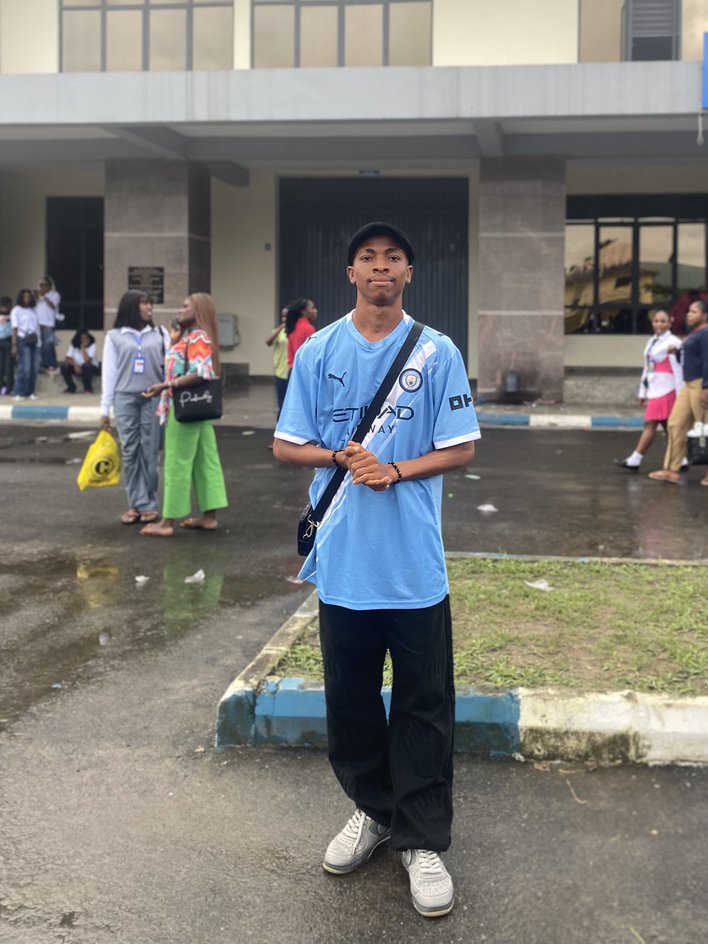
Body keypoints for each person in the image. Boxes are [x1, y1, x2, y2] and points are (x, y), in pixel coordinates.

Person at [273, 223, 479, 919]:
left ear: (409, 273)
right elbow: (287, 443)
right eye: (368, 257)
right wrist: (339, 457)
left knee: (424, 703)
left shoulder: (437, 352)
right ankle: (373, 810)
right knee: (351, 699)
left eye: (393, 258)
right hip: (344, 564)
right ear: (352, 272)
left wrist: (395, 469)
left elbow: (461, 447)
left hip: (414, 566)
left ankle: (422, 839)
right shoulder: (319, 350)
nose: (380, 267)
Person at [140, 293, 228, 538]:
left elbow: (201, 372)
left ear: (198, 310)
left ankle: (167, 521)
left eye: (185, 306)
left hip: (184, 410)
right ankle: (209, 517)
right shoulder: (193, 336)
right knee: (205, 462)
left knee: (176, 464)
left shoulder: (198, 336)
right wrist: (175, 339)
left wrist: (165, 385)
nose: (179, 310)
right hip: (199, 410)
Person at [100, 291, 169, 525]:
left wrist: (167, 398)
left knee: (150, 451)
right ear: (131, 307)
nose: (150, 307)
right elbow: (109, 375)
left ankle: (149, 504)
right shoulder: (114, 337)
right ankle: (135, 504)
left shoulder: (160, 334)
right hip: (125, 398)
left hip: (153, 398)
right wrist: (104, 410)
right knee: (130, 451)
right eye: (144, 303)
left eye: (150, 303)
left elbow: (169, 368)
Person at [649, 298, 708, 487]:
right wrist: (676, 352)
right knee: (675, 424)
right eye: (689, 311)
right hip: (690, 383)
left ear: (705, 315)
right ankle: (671, 469)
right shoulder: (695, 333)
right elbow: (692, 357)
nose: (689, 314)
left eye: (694, 311)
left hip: (704, 383)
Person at [614, 307, 683, 471]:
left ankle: (635, 459)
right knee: (667, 426)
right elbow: (647, 367)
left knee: (650, 423)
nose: (659, 324)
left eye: (663, 321)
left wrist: (681, 393)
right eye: (656, 321)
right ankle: (682, 458)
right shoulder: (651, 341)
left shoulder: (674, 342)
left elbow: (679, 369)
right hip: (654, 387)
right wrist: (643, 392)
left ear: (670, 323)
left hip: (667, 388)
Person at [10, 289, 41, 400]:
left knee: (35, 368)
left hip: (34, 340)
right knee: (25, 367)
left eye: (29, 297)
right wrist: (14, 345)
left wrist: (39, 342)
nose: (27, 299)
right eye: (25, 297)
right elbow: (15, 328)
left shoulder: (33, 310)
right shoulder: (16, 310)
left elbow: (37, 327)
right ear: (21, 298)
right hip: (22, 339)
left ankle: (30, 391)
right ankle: (18, 391)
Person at [264, 306, 290, 415]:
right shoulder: (279, 331)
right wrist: (280, 328)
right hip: (280, 371)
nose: (284, 318)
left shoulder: (295, 331)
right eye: (283, 316)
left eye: (287, 316)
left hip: (292, 370)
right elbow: (268, 342)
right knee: (281, 403)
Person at [34, 277, 62, 374]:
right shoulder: (37, 296)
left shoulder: (55, 294)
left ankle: (52, 365)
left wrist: (44, 296)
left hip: (48, 324)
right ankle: (43, 365)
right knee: (39, 346)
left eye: (44, 285)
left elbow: (52, 305)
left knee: (48, 346)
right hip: (37, 325)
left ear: (49, 286)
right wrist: (36, 296)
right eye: (40, 285)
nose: (42, 287)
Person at [60, 329, 99, 394]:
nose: (85, 340)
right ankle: (71, 387)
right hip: (77, 367)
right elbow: (67, 358)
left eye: (86, 338)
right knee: (64, 366)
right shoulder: (73, 346)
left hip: (90, 368)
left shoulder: (92, 346)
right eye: (83, 338)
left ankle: (88, 389)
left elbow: (87, 360)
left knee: (86, 366)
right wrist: (75, 365)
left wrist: (83, 348)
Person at [285, 297, 318, 369]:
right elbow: (311, 353)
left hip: (292, 369)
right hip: (303, 370)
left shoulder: (292, 327)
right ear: (304, 312)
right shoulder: (308, 328)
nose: (315, 310)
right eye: (312, 308)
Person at [0, 295, 13, 395]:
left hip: (8, 341)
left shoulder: (12, 316)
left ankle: (9, 387)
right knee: (2, 367)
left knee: (8, 366)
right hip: (3, 341)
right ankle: (3, 386)